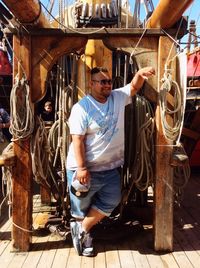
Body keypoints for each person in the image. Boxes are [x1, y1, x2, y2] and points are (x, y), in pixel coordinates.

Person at [66, 66, 155, 257]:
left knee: (112, 200)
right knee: (80, 207)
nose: (107, 85)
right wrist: (81, 168)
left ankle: (81, 229)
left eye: (109, 81)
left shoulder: (117, 97)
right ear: (91, 84)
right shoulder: (82, 108)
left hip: (110, 168)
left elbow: (133, 87)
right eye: (102, 82)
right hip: (84, 170)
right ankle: (85, 234)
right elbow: (77, 139)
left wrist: (139, 75)